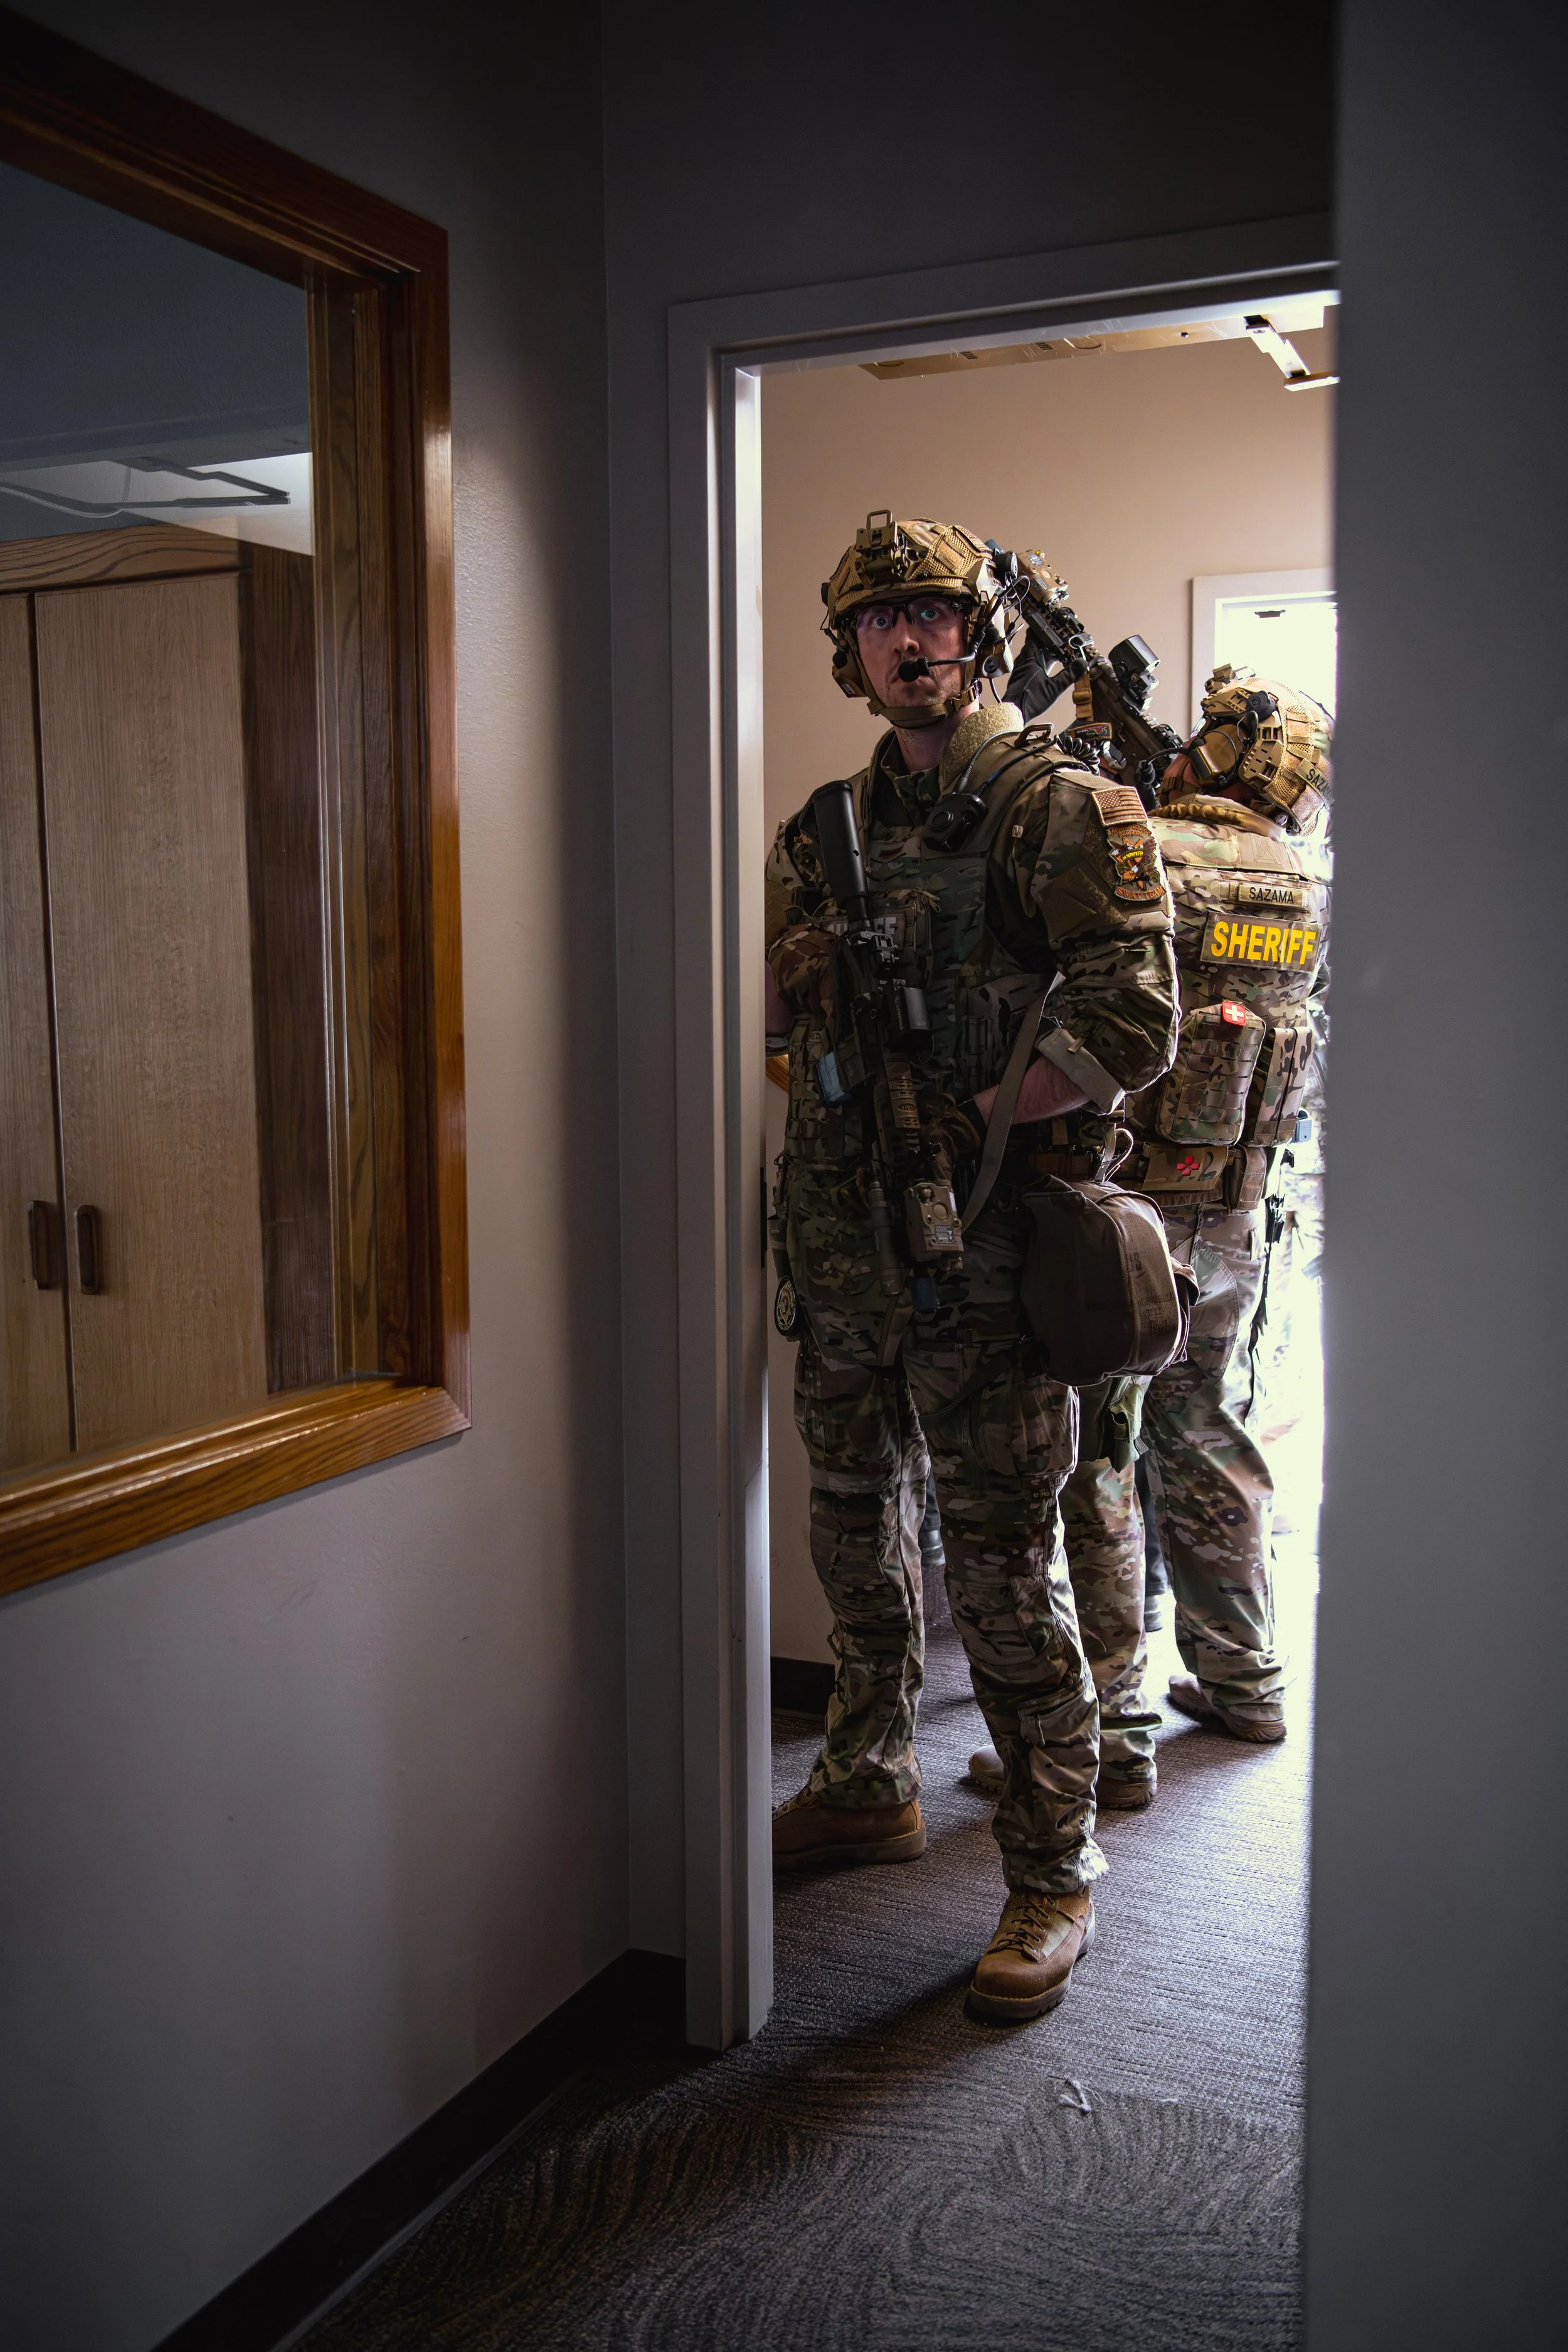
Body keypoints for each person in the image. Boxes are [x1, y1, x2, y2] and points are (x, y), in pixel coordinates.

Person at [765, 512, 1179, 2021]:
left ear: (981, 633)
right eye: (878, 619)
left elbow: (1132, 1019)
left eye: (932, 611)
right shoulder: (818, 833)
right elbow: (780, 1032)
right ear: (850, 651)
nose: (906, 639)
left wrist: (984, 1113)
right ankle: (866, 1773)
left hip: (983, 1255)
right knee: (849, 1525)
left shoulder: (1058, 808)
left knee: (1000, 1574)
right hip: (842, 1253)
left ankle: (1051, 1868)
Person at [970, 667, 1332, 1801]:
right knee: (1209, 1428)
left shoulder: (1150, 851)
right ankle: (1245, 1676)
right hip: (1240, 1208)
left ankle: (1114, 1733)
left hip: (1122, 1217)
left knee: (1101, 1455)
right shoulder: (1316, 885)